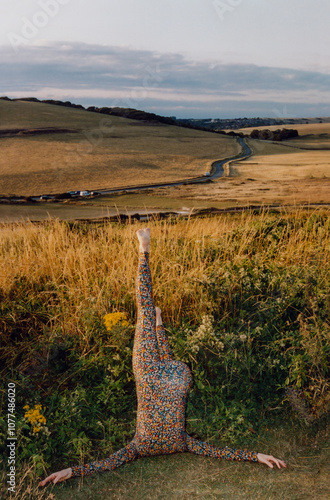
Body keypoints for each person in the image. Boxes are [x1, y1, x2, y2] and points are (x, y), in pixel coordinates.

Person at [39, 228, 286, 487]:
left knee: (164, 356)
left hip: (179, 378)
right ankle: (144, 254)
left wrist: (72, 470)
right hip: (158, 377)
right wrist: (255, 456)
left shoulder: (178, 442)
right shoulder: (141, 446)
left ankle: (156, 318)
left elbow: (214, 450)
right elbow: (111, 462)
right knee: (145, 309)